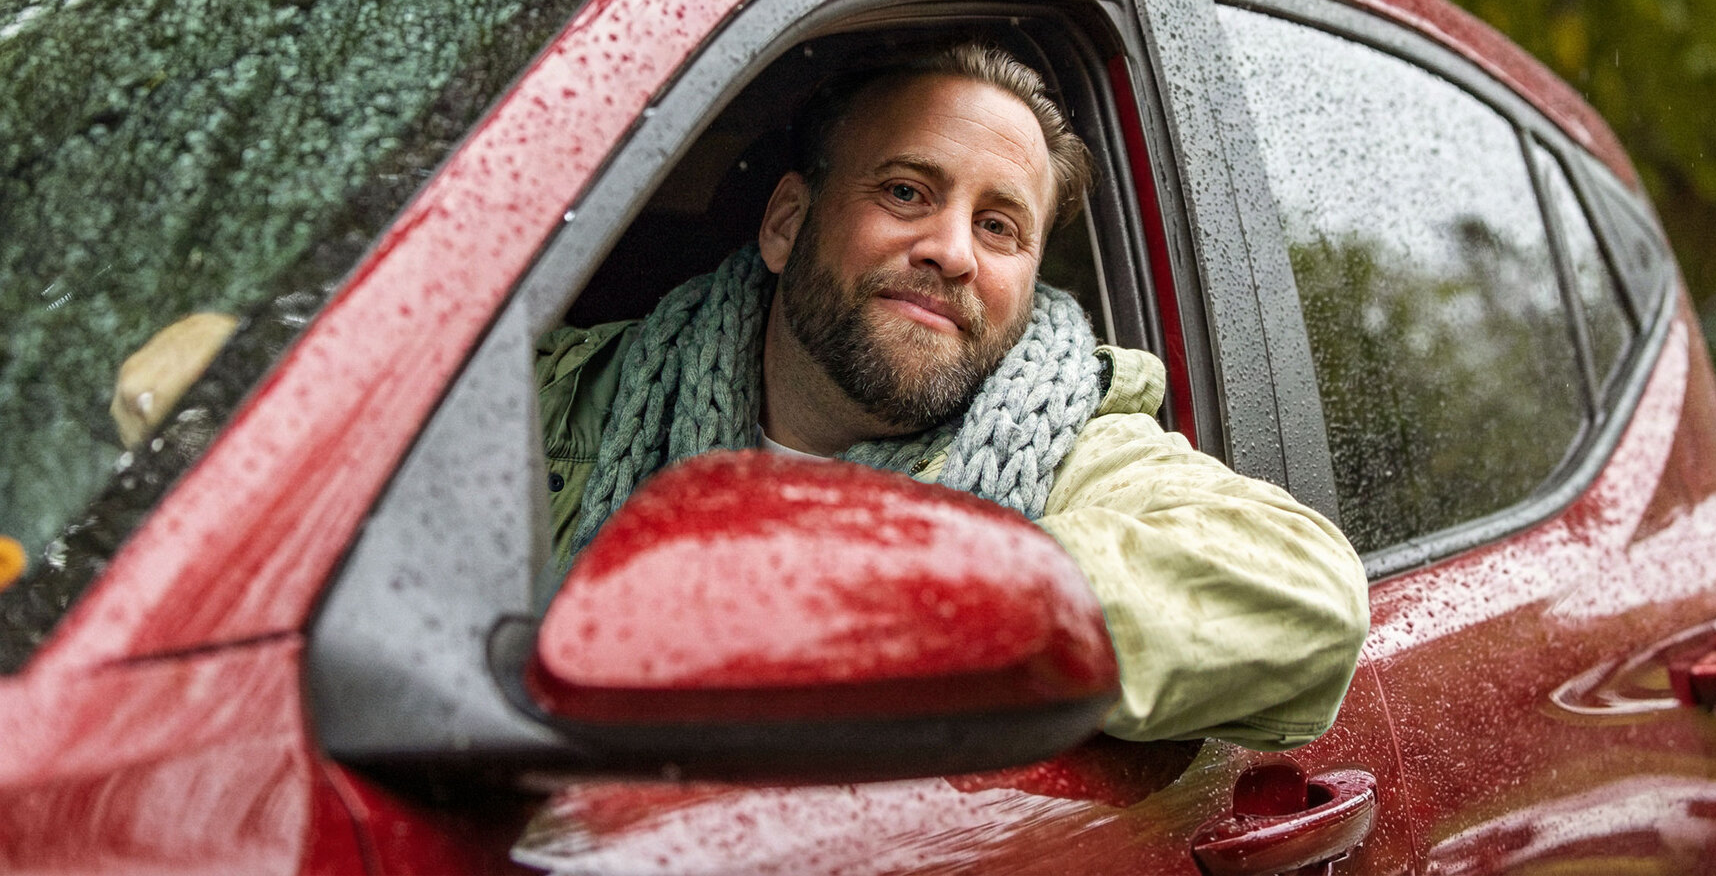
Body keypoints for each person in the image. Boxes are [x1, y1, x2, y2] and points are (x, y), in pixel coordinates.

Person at [537, 42, 1368, 749]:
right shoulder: (549, 398)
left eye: (999, 226)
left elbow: (1308, 597)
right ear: (788, 222)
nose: (953, 252)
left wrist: (859, 595)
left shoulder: (1073, 456)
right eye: (907, 192)